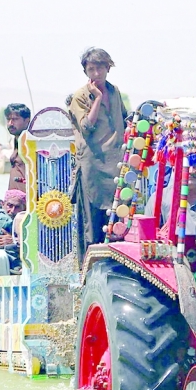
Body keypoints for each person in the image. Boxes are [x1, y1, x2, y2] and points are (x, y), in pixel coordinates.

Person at [68, 48, 127, 262]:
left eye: (99, 68)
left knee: (118, 218)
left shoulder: (115, 91)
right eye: (90, 69)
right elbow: (86, 126)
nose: (95, 73)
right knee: (92, 223)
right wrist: (98, 98)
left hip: (116, 163)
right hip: (93, 165)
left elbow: (124, 119)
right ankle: (90, 269)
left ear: (108, 67)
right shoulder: (81, 96)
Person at [0, 188, 27, 272]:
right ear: (2, 204)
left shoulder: (27, 224)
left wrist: (14, 242)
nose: (12, 211)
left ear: (24, 208)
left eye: (17, 207)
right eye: (10, 205)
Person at [3, 103, 31, 189]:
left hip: (27, 199)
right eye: (8, 119)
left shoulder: (30, 144)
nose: (10, 123)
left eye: (15, 119)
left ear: (27, 121)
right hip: (13, 198)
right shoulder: (17, 140)